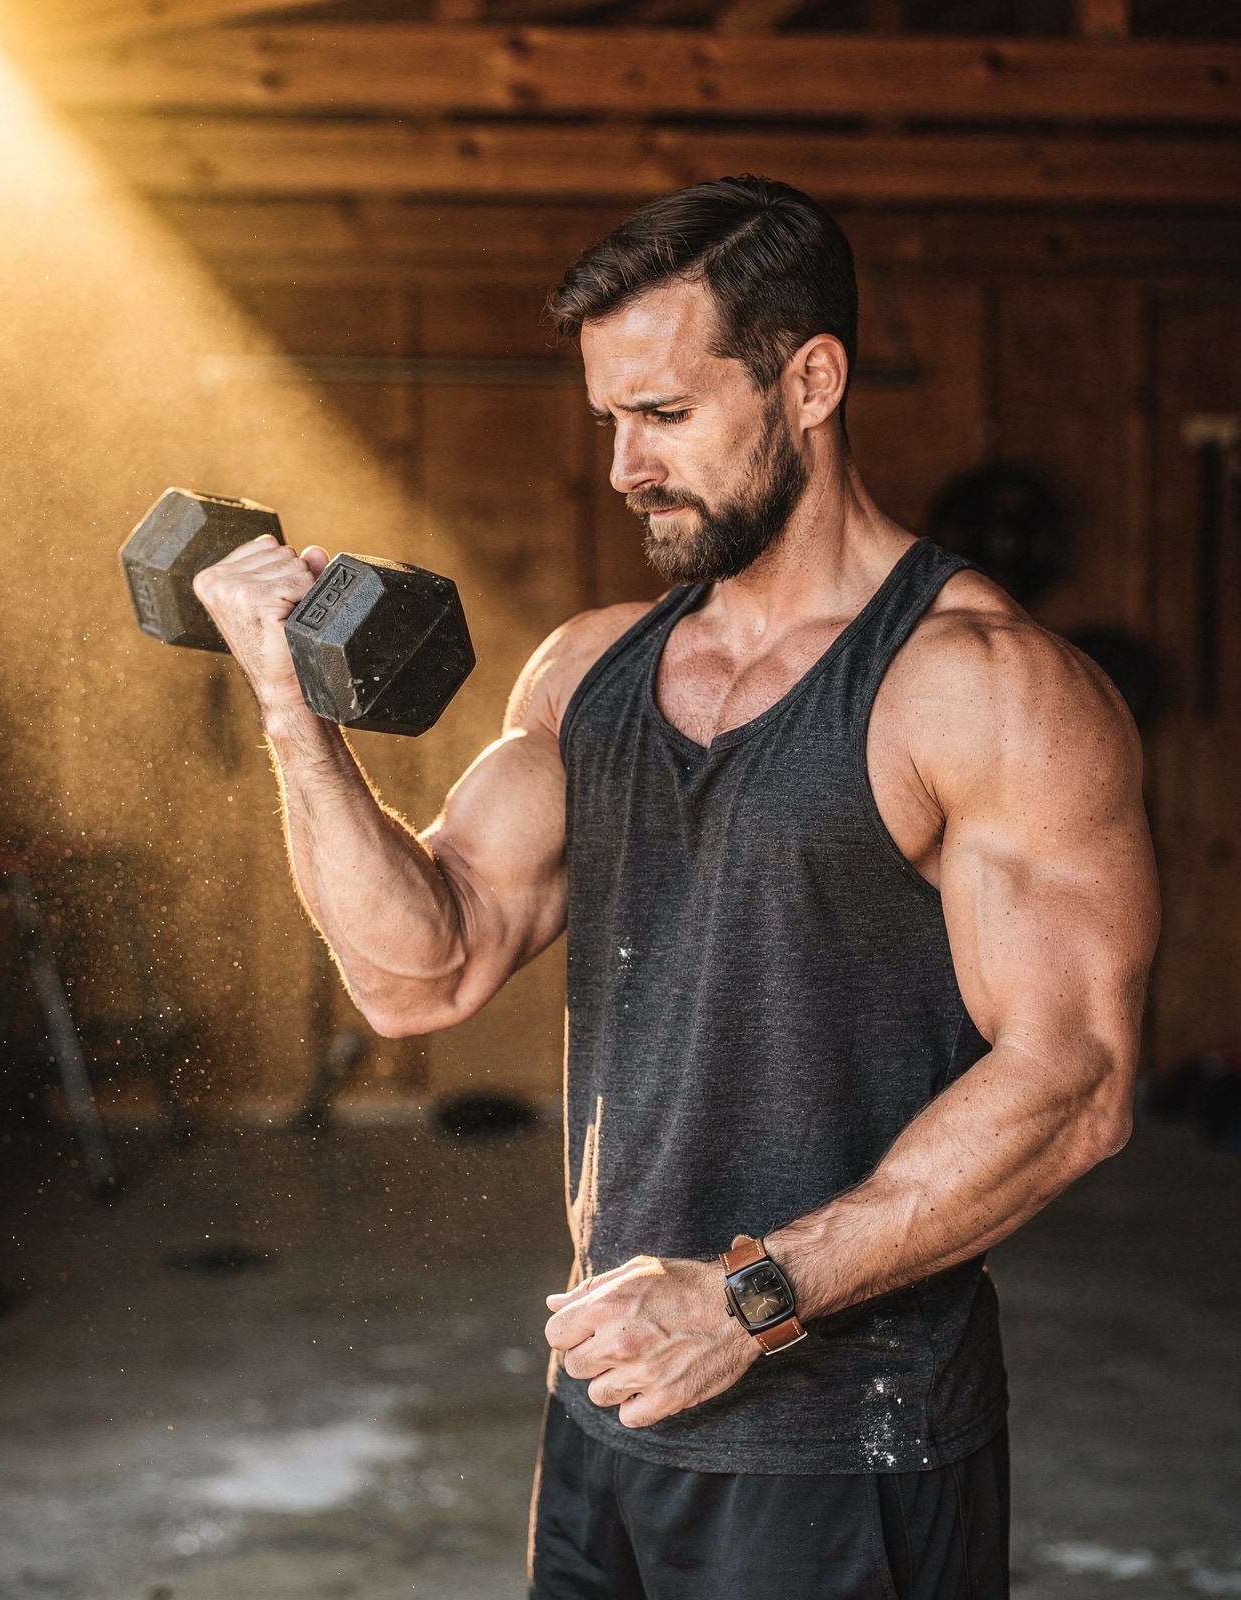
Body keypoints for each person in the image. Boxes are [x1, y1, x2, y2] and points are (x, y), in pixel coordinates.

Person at [192, 177, 1159, 1599]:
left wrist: (747, 1303)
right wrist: (292, 710)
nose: (624, 468)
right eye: (610, 421)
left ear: (810, 382)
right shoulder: (591, 671)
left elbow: (1076, 1083)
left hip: (849, 1441)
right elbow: (420, 974)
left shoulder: (980, 687)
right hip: (618, 1405)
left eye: (664, 415)